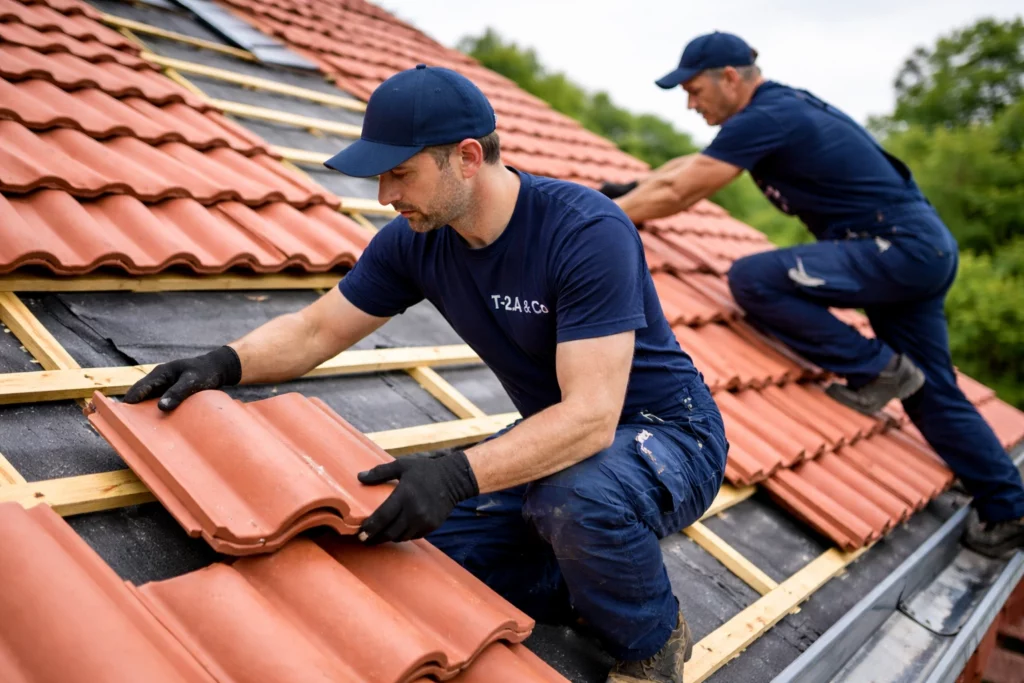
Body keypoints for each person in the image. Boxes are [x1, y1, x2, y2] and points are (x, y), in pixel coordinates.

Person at [123, 64, 729, 683]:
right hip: (558, 441)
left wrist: (454, 475)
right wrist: (218, 364)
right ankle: (576, 584)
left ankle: (654, 642)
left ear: (467, 157)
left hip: (670, 436)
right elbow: (315, 332)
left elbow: (593, 418)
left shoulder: (584, 231)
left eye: (401, 172)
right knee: (409, 546)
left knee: (576, 497)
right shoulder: (416, 240)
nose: (385, 194)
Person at [600, 31, 1024, 559]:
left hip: (899, 249)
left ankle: (873, 368)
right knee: (929, 388)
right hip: (919, 251)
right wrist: (625, 191)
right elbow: (685, 168)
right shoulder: (770, 114)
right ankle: (1008, 508)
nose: (690, 103)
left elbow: (684, 189)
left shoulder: (767, 116)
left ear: (729, 78)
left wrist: (596, 221)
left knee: (754, 278)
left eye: (694, 89)